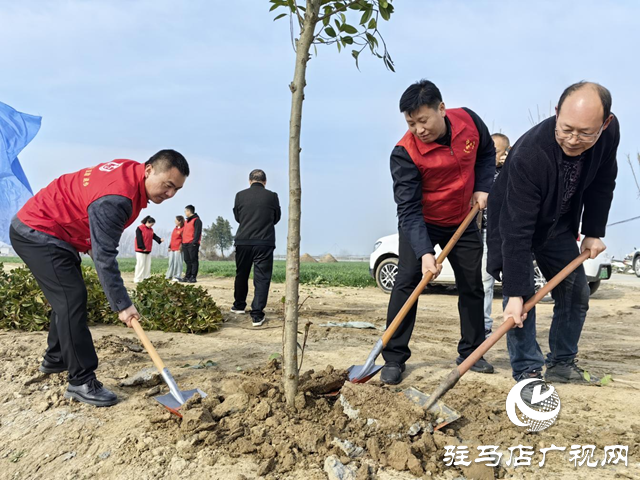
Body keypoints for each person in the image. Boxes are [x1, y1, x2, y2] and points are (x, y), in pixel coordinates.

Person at [10, 150, 189, 407]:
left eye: (177, 190)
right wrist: (123, 306)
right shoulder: (117, 198)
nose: (170, 194)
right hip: (38, 230)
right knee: (71, 298)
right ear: (149, 170)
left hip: (55, 232)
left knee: (67, 296)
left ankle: (56, 357)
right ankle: (81, 381)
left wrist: (100, 256)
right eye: (168, 185)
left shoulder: (131, 174)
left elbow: (98, 243)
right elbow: (104, 256)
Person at [487, 81, 619, 389]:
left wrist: (593, 231)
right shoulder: (531, 154)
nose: (573, 140)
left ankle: (561, 364)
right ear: (556, 113)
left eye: (586, 132)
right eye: (566, 129)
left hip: (557, 223)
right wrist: (516, 293)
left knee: (575, 293)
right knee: (520, 302)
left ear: (605, 123)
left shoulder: (609, 134)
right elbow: (517, 232)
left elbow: (603, 179)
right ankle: (528, 370)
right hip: (514, 221)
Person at [381, 79, 496, 385]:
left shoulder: (469, 121)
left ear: (441, 109)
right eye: (410, 123)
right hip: (422, 221)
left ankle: (472, 351)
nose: (418, 129)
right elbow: (407, 210)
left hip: (463, 218)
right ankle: (393, 357)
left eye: (423, 120)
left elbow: (487, 153)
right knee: (406, 282)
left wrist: (484, 186)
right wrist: (424, 252)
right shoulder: (404, 153)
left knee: (472, 285)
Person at [231, 169, 281, 327]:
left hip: (243, 241)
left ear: (249, 180)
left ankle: (239, 305)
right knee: (262, 278)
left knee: (242, 273)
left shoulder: (240, 195)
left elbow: (238, 217)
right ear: (265, 182)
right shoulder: (272, 196)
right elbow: (276, 217)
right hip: (264, 242)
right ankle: (257, 314)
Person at [480, 133, 510, 337]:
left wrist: (509, 167)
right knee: (484, 282)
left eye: (496, 151)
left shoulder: (512, 172)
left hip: (507, 234)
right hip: (484, 233)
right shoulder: (483, 171)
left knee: (512, 282)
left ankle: (514, 326)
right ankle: (484, 327)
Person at [133, 216, 163, 283]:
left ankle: (146, 278)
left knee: (147, 265)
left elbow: (154, 236)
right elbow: (139, 239)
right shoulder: (140, 228)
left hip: (148, 250)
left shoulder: (151, 230)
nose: (151, 226)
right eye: (151, 224)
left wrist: (159, 240)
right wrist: (142, 247)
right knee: (140, 264)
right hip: (140, 250)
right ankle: (137, 278)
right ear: (147, 222)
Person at [181, 205, 202, 283]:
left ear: (189, 211)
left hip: (192, 244)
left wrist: (194, 242)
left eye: (185, 211)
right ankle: (187, 276)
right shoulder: (186, 221)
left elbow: (197, 232)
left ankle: (193, 276)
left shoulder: (197, 220)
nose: (185, 213)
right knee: (187, 260)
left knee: (193, 260)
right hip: (185, 243)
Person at [166, 215, 185, 280]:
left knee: (178, 263)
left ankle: (177, 276)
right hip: (172, 248)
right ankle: (169, 275)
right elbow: (172, 238)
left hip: (178, 249)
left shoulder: (183, 229)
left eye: (176, 220)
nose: (175, 221)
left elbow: (183, 239)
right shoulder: (175, 228)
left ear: (179, 221)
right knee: (171, 262)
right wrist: (169, 246)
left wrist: (181, 248)